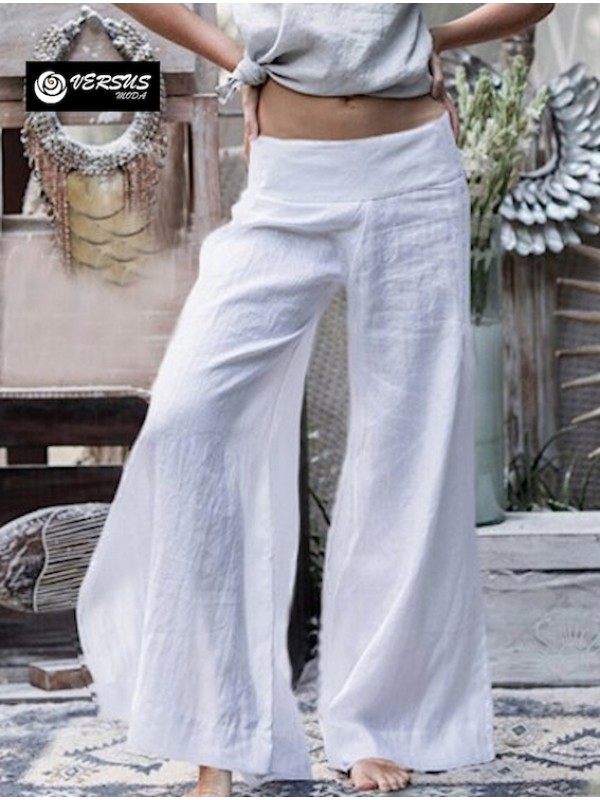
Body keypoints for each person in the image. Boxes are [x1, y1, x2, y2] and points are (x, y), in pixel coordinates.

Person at [76, 4, 555, 797]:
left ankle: (376, 725)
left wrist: (434, 37)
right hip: (289, 179)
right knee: (191, 419)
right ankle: (217, 730)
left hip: (411, 172)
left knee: (407, 448)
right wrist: (232, 56)